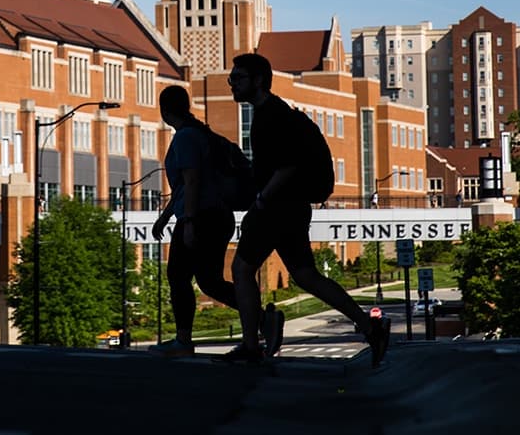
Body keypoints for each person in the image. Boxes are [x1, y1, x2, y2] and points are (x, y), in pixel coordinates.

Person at [218, 53, 390, 366]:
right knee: (306, 276)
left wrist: (261, 199)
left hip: (276, 207)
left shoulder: (270, 117)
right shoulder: (276, 112)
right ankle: (370, 327)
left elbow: (286, 167)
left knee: (241, 269)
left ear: (258, 81)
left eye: (238, 78)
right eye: (232, 79)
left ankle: (250, 345)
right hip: (292, 207)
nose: (232, 84)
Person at [149, 85, 282, 358]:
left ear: (164, 110)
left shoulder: (186, 138)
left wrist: (188, 222)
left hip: (202, 217)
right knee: (206, 281)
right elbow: (186, 187)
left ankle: (184, 341)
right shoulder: (199, 133)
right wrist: (165, 216)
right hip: (214, 216)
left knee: (181, 276)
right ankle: (262, 321)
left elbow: (192, 181)